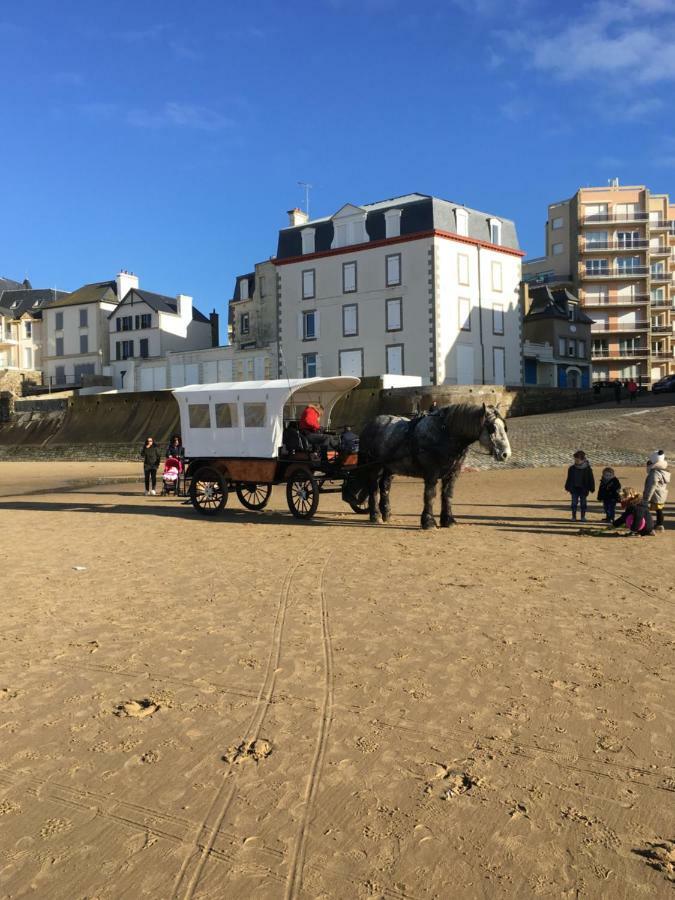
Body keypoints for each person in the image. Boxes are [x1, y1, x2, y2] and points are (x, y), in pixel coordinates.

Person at [565, 449, 595, 522]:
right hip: (574, 489)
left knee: (583, 504)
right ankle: (573, 516)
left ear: (583, 460)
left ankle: (583, 517)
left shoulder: (588, 469)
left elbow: (591, 479)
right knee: (574, 503)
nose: (576, 461)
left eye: (577, 460)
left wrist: (592, 488)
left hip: (583, 489)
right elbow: (569, 478)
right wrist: (567, 487)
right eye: (575, 460)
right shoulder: (571, 468)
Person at [643, 450, 670, 533]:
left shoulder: (655, 473)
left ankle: (652, 525)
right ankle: (659, 524)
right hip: (661, 494)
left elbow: (652, 485)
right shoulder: (664, 472)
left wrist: (646, 497)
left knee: (647, 509)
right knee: (659, 510)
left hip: (655, 494)